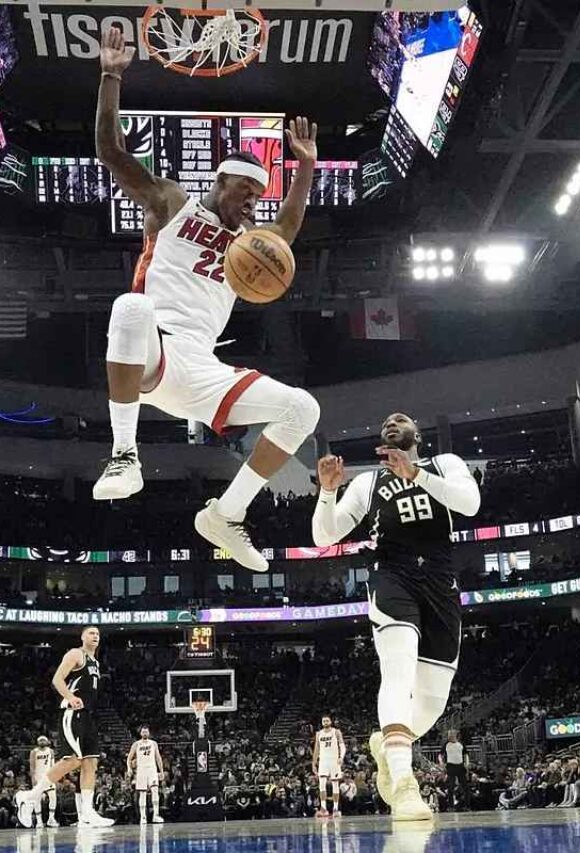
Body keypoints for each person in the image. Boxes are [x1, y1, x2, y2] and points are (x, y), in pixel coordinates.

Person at [92, 27, 320, 573]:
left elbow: (286, 226)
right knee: (131, 306)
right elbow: (109, 150)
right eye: (248, 193)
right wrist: (111, 75)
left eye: (259, 197)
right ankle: (125, 454)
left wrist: (305, 166)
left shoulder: (251, 244)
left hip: (201, 368)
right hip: (151, 352)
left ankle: (226, 513)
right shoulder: (171, 202)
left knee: (301, 409)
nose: (253, 205)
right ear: (223, 181)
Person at [312, 412, 480, 821]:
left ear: (416, 436)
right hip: (392, 577)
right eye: (386, 421)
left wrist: (417, 474)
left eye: (401, 419)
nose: (392, 420)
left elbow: (470, 504)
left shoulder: (446, 464)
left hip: (440, 584)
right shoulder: (368, 483)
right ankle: (405, 786)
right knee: (398, 672)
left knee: (431, 704)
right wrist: (328, 493)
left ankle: (386, 745)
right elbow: (323, 535)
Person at [15, 627, 114, 828]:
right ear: (82, 637)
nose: (95, 636)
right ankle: (29, 797)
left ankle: (87, 813)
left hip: (88, 715)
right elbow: (57, 679)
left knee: (91, 763)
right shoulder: (76, 654)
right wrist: (70, 697)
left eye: (97, 634)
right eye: (91, 633)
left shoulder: (95, 662)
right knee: (72, 760)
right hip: (72, 713)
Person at [127, 725, 164, 824]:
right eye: (143, 732)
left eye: (146, 732)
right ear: (140, 733)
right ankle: (143, 817)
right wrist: (129, 768)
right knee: (142, 794)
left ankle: (156, 815)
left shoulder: (153, 743)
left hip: (152, 769)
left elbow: (158, 757)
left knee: (155, 791)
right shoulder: (136, 744)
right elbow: (129, 758)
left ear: (149, 733)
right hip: (141, 770)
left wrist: (161, 770)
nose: (145, 733)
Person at [312, 715, 345, 818]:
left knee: (335, 784)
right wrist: (313, 763)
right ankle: (323, 809)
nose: (325, 722)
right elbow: (316, 749)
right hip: (323, 761)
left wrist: (341, 757)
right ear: (322, 723)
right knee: (321, 784)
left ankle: (335, 809)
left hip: (334, 760)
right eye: (324, 721)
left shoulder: (336, 732)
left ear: (330, 721)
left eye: (327, 720)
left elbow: (342, 746)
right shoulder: (319, 734)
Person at [29, 736, 58, 828]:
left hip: (48, 778)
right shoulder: (34, 752)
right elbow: (32, 766)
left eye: (43, 740)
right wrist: (33, 778)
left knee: (53, 798)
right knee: (37, 800)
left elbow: (53, 766)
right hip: (38, 778)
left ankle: (51, 819)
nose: (42, 742)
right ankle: (39, 821)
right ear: (38, 742)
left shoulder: (51, 751)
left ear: (47, 741)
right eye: (40, 740)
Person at [439, 730, 470, 811]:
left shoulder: (461, 744)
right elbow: (440, 754)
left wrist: (467, 763)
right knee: (450, 787)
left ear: (455, 735)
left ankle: (467, 806)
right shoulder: (446, 744)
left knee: (465, 787)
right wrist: (441, 762)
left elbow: (466, 754)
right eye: (449, 735)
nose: (449, 736)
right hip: (451, 766)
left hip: (460, 765)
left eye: (451, 735)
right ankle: (451, 806)